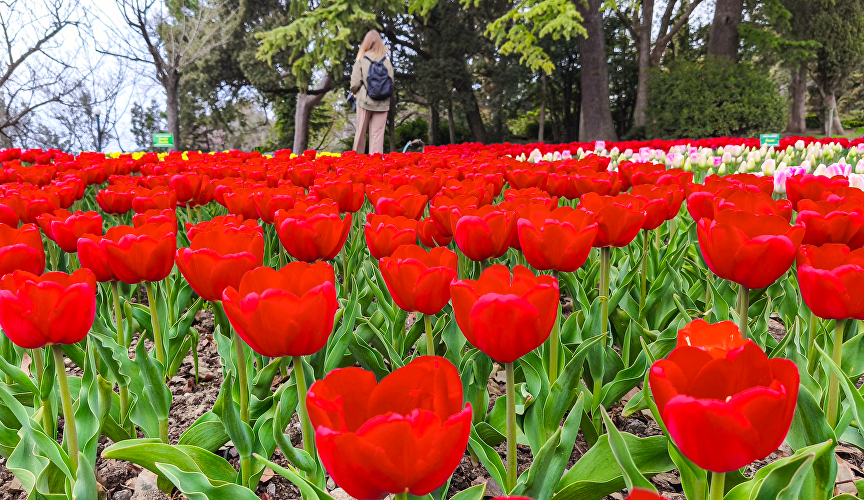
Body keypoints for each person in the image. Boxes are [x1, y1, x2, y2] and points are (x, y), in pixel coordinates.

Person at [350, 31, 394, 155]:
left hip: (365, 101)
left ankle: (356, 163)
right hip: (383, 103)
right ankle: (375, 167)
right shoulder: (386, 61)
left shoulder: (362, 59)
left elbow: (354, 83)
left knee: (361, 133)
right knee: (377, 136)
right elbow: (391, 82)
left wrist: (355, 93)